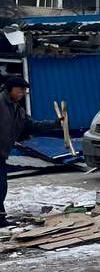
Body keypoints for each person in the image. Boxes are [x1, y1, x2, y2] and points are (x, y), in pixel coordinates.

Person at [0, 77, 59, 226]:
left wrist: (55, 124)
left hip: (2, 154)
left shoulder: (17, 110)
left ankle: (0, 218)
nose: (23, 93)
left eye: (24, 90)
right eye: (20, 90)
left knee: (1, 187)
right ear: (10, 89)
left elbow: (32, 125)